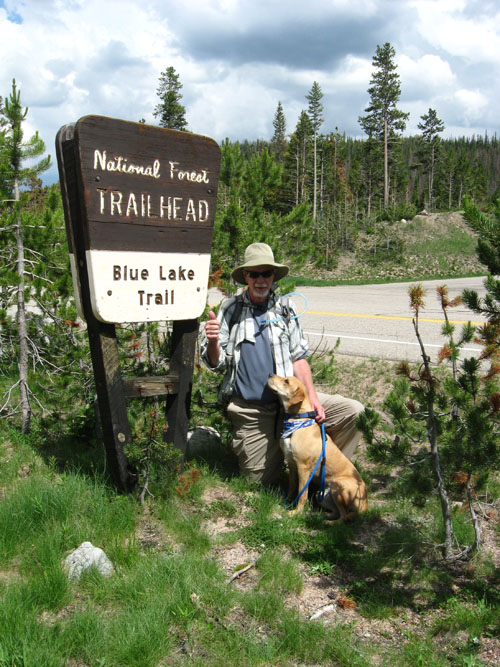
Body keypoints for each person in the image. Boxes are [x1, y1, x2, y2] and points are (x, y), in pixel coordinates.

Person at [201, 242, 364, 486]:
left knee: (353, 412)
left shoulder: (285, 308)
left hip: (291, 402)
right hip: (252, 411)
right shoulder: (231, 309)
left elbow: (298, 357)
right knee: (259, 483)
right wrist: (213, 341)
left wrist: (313, 398)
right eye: (254, 274)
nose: (260, 280)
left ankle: (327, 480)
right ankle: (288, 459)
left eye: (266, 273)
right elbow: (216, 363)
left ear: (273, 275)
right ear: (245, 276)